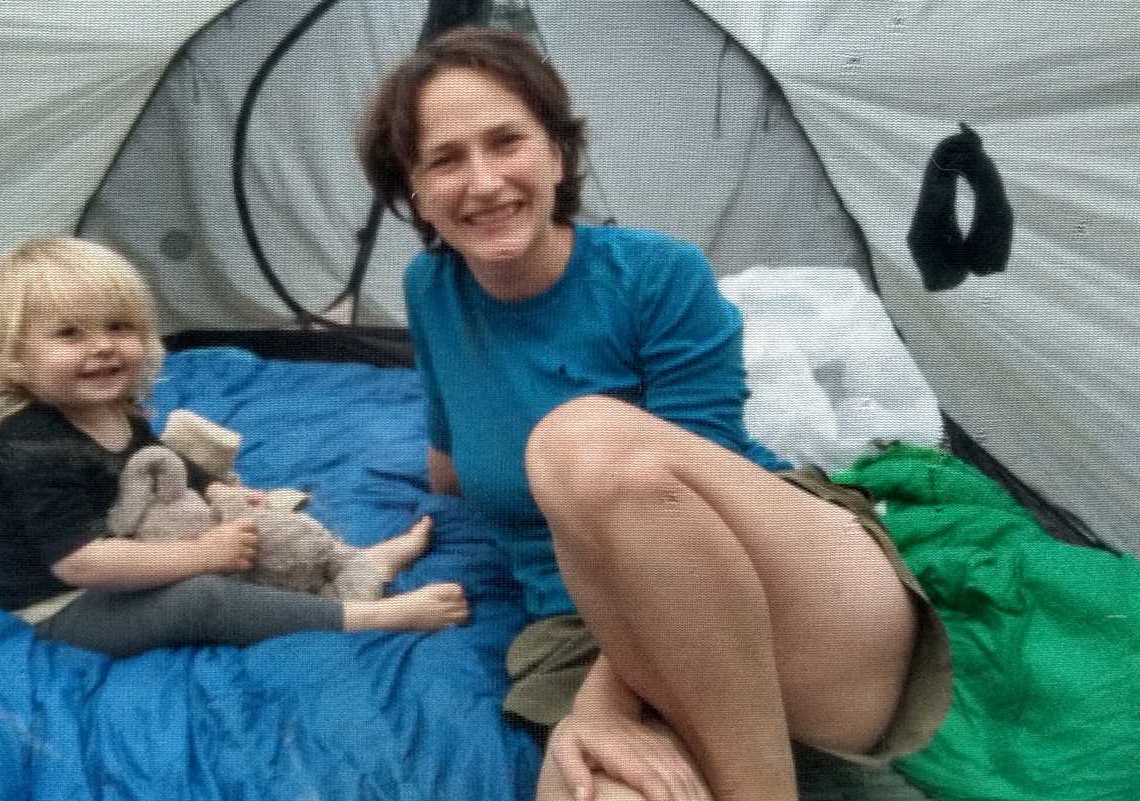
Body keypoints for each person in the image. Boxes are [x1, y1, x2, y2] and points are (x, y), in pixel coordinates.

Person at [357, 25, 952, 801]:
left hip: (787, 591)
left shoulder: (658, 275)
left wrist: (603, 703)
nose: (483, 181)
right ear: (415, 191)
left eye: (507, 141)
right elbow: (452, 464)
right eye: (445, 159)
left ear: (559, 153)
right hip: (580, 632)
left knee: (575, 440)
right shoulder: (431, 293)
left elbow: (697, 494)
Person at [0, 237, 468, 657]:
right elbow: (79, 564)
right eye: (70, 335)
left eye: (119, 327)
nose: (103, 347)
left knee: (259, 526)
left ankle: (357, 563)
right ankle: (363, 616)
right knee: (201, 598)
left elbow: (155, 461)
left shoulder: (110, 406)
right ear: (17, 361)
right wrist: (200, 554)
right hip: (63, 599)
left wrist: (215, 488)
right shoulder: (29, 447)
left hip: (120, 541)